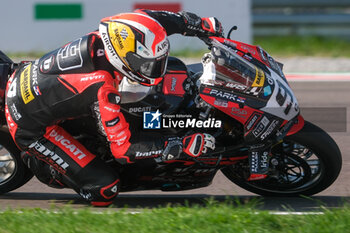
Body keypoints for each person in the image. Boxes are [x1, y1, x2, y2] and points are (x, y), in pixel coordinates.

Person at [4, 9, 223, 206]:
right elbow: (124, 151)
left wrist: (201, 24)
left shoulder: (123, 29)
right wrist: (181, 144)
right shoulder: (102, 88)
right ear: (123, 57)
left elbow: (161, 20)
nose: (156, 70)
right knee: (105, 189)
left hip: (33, 83)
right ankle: (42, 163)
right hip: (32, 128)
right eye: (148, 65)